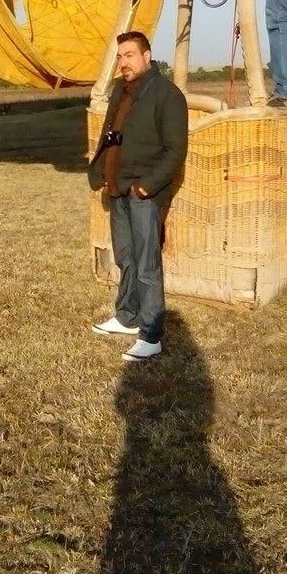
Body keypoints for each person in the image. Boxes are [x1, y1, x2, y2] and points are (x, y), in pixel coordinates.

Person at [88, 31, 188, 362]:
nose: (123, 62)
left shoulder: (167, 94)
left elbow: (175, 151)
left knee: (146, 264)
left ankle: (151, 333)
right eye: (120, 56)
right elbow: (109, 136)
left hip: (143, 192)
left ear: (147, 56)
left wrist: (146, 186)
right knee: (126, 258)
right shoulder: (122, 91)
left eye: (129, 55)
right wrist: (103, 171)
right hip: (118, 187)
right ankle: (127, 317)